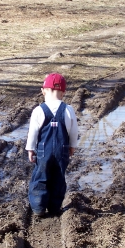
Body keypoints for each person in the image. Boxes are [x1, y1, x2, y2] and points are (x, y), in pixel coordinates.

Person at [26, 73, 79, 217]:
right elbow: (74, 131)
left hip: (44, 152)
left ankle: (38, 207)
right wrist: (72, 146)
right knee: (58, 178)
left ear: (43, 90)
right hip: (62, 151)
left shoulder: (38, 110)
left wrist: (30, 149)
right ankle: (55, 207)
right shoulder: (68, 110)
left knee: (41, 177)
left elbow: (33, 133)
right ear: (63, 92)